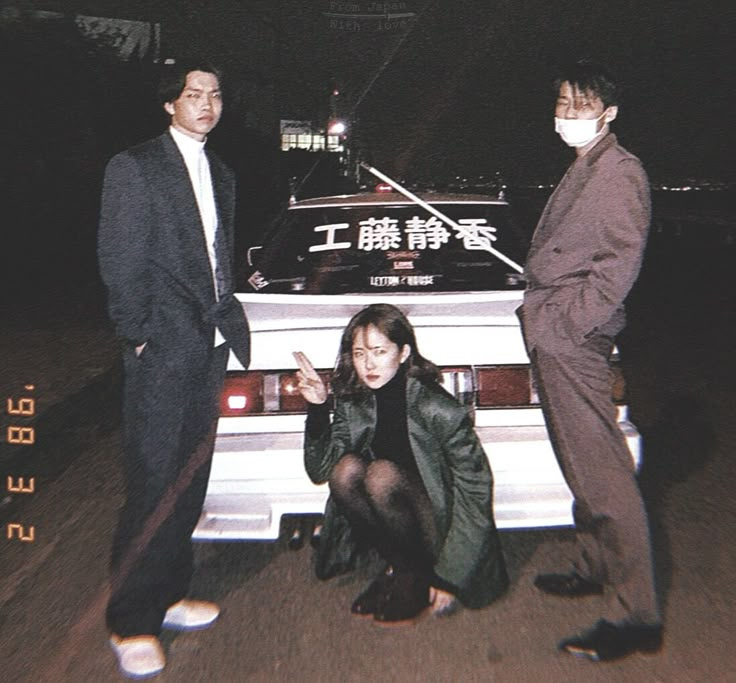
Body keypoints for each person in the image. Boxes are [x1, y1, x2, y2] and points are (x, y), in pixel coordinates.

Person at [97, 62, 250, 679]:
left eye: (215, 93)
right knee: (153, 479)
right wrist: (136, 335)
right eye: (194, 95)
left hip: (209, 343)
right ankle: (131, 620)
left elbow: (217, 256)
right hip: (161, 347)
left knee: (190, 476)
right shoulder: (134, 167)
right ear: (170, 104)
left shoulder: (222, 172)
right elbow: (120, 257)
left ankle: (171, 591)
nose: (207, 104)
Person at [517, 59, 662, 661]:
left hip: (574, 339)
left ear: (609, 114)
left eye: (581, 107)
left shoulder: (621, 172)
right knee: (579, 463)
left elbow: (615, 273)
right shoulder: (585, 165)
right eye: (563, 104)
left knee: (604, 474)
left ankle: (636, 617)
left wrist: (560, 327)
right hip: (556, 335)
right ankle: (593, 566)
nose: (568, 116)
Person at [293, 304, 508, 624]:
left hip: (441, 521)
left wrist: (450, 574)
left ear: (404, 352)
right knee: (345, 471)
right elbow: (320, 470)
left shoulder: (438, 408)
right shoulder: (355, 401)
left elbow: (475, 489)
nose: (369, 364)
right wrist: (318, 409)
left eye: (380, 351)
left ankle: (419, 575)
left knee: (380, 475)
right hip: (399, 518)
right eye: (359, 353)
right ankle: (402, 568)